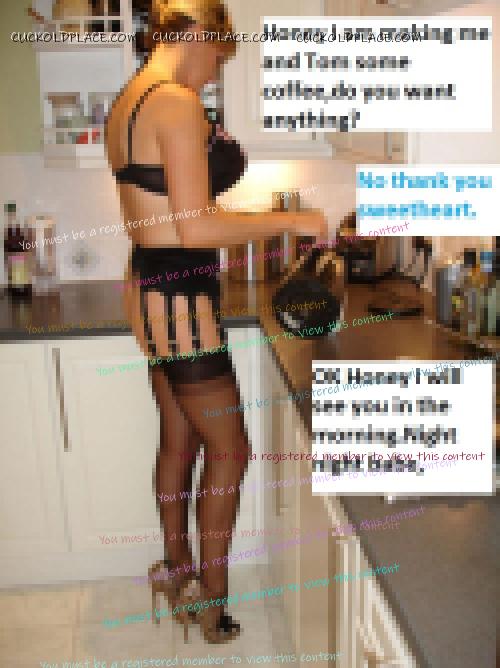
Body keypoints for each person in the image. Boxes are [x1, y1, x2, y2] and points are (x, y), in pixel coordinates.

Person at [105, 0, 325, 645]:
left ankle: (177, 574)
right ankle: (213, 599)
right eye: (217, 55)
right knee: (231, 449)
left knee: (180, 441)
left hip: (152, 287)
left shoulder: (129, 99)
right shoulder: (174, 102)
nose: (213, 71)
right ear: (196, 34)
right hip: (180, 297)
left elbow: (172, 215)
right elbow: (196, 226)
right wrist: (292, 220)